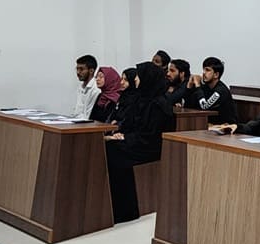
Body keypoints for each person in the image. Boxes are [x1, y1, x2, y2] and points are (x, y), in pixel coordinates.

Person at [104, 62, 175, 223]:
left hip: (150, 147)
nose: (136, 79)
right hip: (138, 141)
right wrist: (121, 134)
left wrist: (126, 138)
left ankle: (125, 210)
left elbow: (151, 135)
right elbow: (131, 123)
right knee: (107, 147)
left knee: (114, 152)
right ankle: (107, 205)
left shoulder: (159, 104)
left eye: (138, 76)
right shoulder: (141, 98)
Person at [189, 57, 236, 124]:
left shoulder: (220, 90)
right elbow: (191, 105)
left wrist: (198, 86)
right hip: (211, 124)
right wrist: (189, 87)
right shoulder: (206, 87)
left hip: (226, 126)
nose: (203, 73)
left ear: (216, 75)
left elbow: (204, 106)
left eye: (207, 70)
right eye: (203, 70)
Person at [72, 55, 101, 119]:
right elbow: (77, 111)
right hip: (77, 121)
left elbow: (88, 117)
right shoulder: (81, 87)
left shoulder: (96, 89)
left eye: (81, 69)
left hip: (86, 124)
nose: (78, 72)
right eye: (77, 69)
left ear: (91, 71)